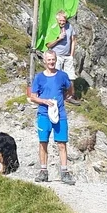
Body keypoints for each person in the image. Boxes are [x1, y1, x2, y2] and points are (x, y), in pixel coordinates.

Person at [28, 50, 75, 185]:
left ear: (56, 60)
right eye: (49, 60)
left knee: (62, 143)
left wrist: (67, 97)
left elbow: (69, 89)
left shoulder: (62, 76)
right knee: (43, 142)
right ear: (44, 62)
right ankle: (43, 171)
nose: (51, 62)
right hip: (43, 114)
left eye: (53, 60)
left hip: (60, 114)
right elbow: (33, 96)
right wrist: (44, 101)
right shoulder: (39, 78)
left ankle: (65, 172)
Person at [45, 10, 79, 103]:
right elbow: (48, 45)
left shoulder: (69, 27)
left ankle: (70, 96)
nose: (62, 22)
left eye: (63, 20)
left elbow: (73, 40)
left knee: (70, 76)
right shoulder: (53, 27)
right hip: (57, 56)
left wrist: (71, 54)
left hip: (67, 56)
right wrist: (59, 39)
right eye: (60, 20)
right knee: (55, 75)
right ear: (57, 20)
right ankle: (54, 95)